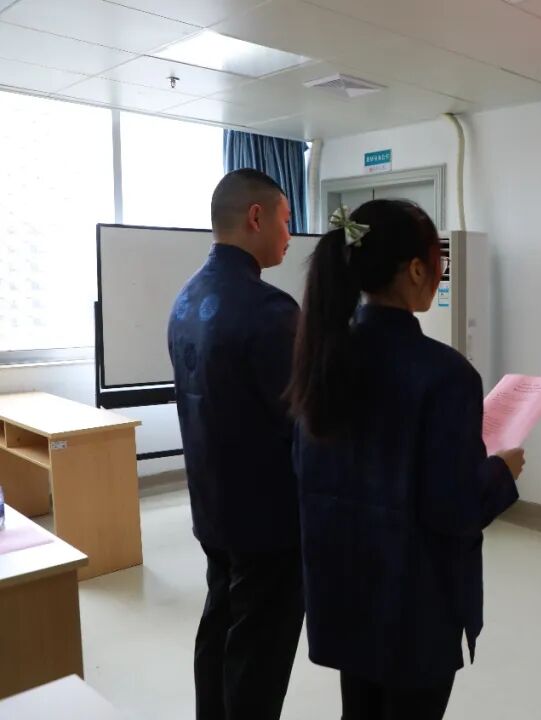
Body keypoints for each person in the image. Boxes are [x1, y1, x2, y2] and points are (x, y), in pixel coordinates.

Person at [287, 199, 524, 720]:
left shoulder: (323, 358)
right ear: (417, 270)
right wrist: (500, 472)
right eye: (437, 262)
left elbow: (307, 472)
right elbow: (452, 509)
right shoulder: (445, 374)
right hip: (415, 599)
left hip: (343, 584)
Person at [167, 169, 305, 719]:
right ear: (256, 217)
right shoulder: (270, 311)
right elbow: (303, 421)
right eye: (286, 220)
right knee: (258, 653)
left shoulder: (185, 298)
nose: (290, 234)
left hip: (212, 508)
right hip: (268, 521)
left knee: (220, 624)